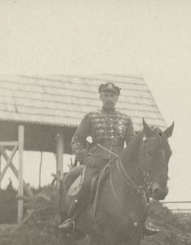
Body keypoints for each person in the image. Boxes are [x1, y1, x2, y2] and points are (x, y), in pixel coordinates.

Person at [58, 82, 159, 236]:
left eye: (112, 95)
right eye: (106, 95)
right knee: (86, 183)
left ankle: (143, 221)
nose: (109, 98)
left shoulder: (126, 119)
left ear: (117, 98)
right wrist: (85, 157)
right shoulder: (91, 117)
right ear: (100, 96)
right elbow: (77, 140)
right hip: (96, 161)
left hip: (119, 163)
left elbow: (132, 144)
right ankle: (71, 219)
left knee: (141, 185)